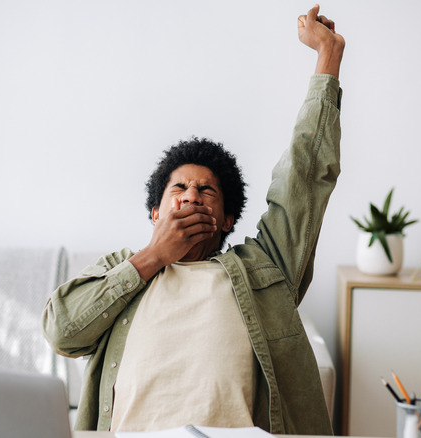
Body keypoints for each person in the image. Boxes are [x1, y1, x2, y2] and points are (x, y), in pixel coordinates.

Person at [42, 4, 344, 435]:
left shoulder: (264, 268)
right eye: (178, 190)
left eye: (207, 192)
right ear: (155, 212)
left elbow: (304, 176)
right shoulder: (123, 272)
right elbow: (61, 331)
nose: (191, 197)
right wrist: (153, 257)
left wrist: (327, 59)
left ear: (226, 219)